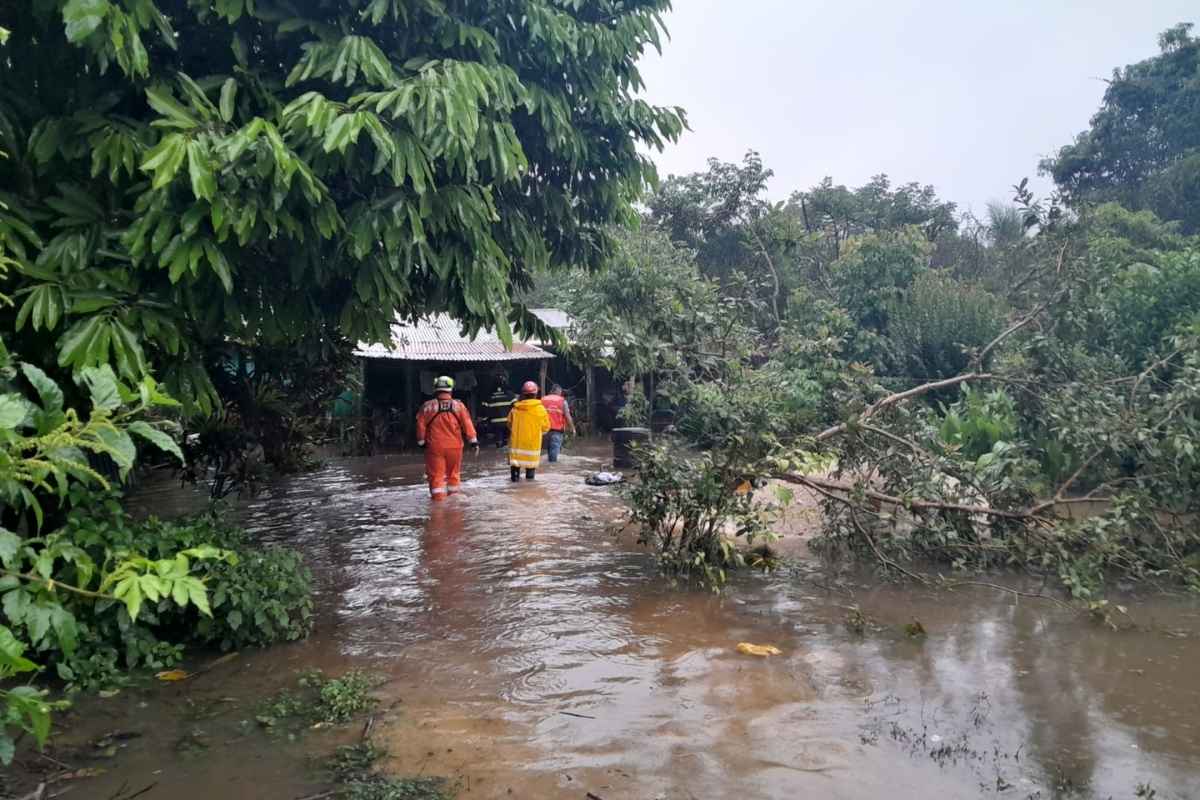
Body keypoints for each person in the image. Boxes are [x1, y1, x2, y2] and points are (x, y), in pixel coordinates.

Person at [415, 376, 478, 500]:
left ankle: (438, 505)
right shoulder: (459, 406)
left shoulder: (427, 406)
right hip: (455, 446)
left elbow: (420, 426)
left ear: (435, 389)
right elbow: (467, 424)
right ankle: (454, 501)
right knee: (453, 474)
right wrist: (473, 442)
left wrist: (421, 442)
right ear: (450, 389)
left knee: (436, 475)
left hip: (435, 447)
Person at [507, 381, 550, 481]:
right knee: (530, 480)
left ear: (523, 394)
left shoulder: (515, 409)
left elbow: (509, 424)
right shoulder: (541, 410)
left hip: (516, 448)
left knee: (514, 479)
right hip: (532, 448)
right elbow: (546, 428)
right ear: (536, 394)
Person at [541, 384, 576, 463]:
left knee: (547, 453)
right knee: (553, 459)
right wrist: (573, 428)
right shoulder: (563, 401)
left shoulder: (542, 400)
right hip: (556, 432)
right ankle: (552, 471)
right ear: (558, 391)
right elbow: (568, 416)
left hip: (543, 431)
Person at [480, 375, 516, 448]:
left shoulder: (488, 396)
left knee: (498, 441)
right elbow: (516, 408)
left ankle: (499, 444)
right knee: (509, 443)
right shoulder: (510, 394)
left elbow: (485, 411)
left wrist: (484, 420)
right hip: (508, 422)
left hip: (495, 423)